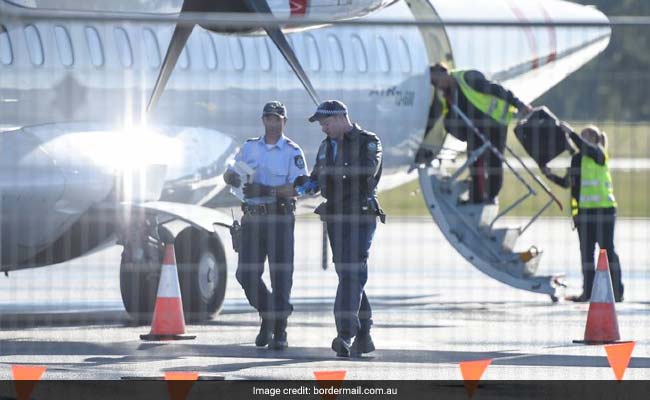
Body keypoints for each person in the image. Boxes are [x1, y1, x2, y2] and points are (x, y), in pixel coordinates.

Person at [296, 100, 385, 357]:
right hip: (336, 217)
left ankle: (345, 334)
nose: (323, 128)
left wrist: (331, 175)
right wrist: (306, 185)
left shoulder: (368, 141)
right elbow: (317, 176)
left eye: (325, 123)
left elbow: (366, 170)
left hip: (360, 215)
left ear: (339, 118)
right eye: (321, 124)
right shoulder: (326, 147)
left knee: (351, 272)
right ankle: (365, 332)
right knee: (350, 275)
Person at [223, 101, 308, 349]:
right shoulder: (249, 148)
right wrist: (231, 177)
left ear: (284, 122)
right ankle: (270, 314)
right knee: (245, 274)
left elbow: (300, 188)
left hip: (279, 217)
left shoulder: (292, 151)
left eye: (278, 119)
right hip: (252, 217)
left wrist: (268, 189)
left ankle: (279, 330)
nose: (273, 123)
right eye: (269, 118)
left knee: (280, 276)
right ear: (263, 121)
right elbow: (230, 172)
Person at [542, 123, 624, 302]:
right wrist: (550, 175)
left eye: (585, 137)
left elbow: (586, 148)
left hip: (604, 212)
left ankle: (617, 292)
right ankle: (587, 292)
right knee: (586, 254)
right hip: (585, 214)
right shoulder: (577, 159)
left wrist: (571, 133)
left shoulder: (599, 154)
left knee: (607, 251)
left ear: (594, 140)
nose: (582, 141)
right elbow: (568, 184)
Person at [429, 62, 532, 204]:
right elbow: (436, 114)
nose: (437, 86)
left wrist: (518, 104)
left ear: (444, 73)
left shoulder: (468, 78)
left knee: (494, 162)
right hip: (476, 130)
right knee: (475, 161)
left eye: (436, 81)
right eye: (434, 84)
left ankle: (491, 196)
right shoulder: (446, 95)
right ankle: (476, 198)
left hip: (495, 123)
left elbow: (497, 90)